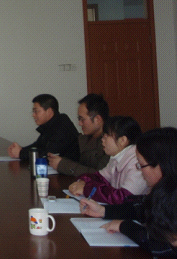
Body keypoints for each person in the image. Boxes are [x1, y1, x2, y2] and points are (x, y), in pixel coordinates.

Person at [80, 127, 177, 257]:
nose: (140, 170)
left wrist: (124, 226)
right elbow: (143, 208)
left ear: (161, 165)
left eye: (141, 165)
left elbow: (163, 245)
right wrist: (104, 211)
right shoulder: (165, 191)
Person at [68, 116, 148, 204]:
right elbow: (99, 178)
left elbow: (124, 197)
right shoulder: (117, 157)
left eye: (106, 136)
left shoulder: (137, 162)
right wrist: (82, 182)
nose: (102, 140)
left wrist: (86, 189)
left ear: (122, 140)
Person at [48, 93, 110, 176]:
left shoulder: (111, 142)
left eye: (82, 119)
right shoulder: (83, 139)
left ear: (98, 119)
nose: (79, 123)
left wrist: (63, 164)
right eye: (79, 119)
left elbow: (100, 175)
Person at [7, 94, 79, 162]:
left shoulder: (62, 127)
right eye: (33, 111)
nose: (33, 115)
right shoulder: (51, 124)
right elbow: (38, 146)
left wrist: (21, 153)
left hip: (69, 170)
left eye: (36, 111)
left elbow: (47, 155)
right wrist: (21, 150)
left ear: (49, 111)